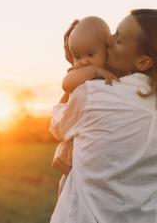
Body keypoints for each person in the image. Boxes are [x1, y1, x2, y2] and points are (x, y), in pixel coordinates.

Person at [49, 9, 157, 223]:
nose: (108, 40)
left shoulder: (95, 95)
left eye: (118, 39)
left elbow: (58, 123)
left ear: (143, 61)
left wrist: (76, 72)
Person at [54, 16, 120, 199]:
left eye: (90, 55)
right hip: (77, 148)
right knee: (67, 187)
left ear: (107, 49)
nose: (83, 62)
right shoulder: (81, 74)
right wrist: (94, 71)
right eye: (77, 56)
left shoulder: (117, 73)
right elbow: (67, 84)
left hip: (100, 151)